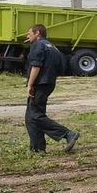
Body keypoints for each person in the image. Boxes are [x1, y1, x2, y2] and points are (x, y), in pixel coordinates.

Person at [25, 24, 79, 154]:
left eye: (29, 33)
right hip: (49, 83)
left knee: (35, 116)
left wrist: (30, 84)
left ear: (37, 33)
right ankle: (37, 149)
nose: (27, 36)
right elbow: (62, 67)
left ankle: (68, 134)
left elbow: (36, 66)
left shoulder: (38, 45)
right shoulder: (53, 47)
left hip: (40, 84)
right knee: (30, 116)